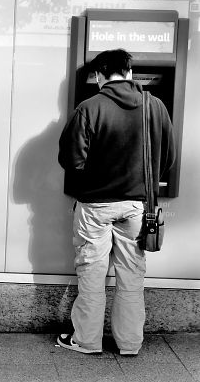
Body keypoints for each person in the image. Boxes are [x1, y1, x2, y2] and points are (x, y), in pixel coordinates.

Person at [57, 49, 176, 356]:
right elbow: (168, 158)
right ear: (129, 71)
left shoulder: (89, 107)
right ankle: (129, 343)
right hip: (137, 206)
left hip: (95, 207)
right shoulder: (156, 106)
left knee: (92, 274)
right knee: (132, 274)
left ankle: (87, 340)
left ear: (100, 74)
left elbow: (71, 159)